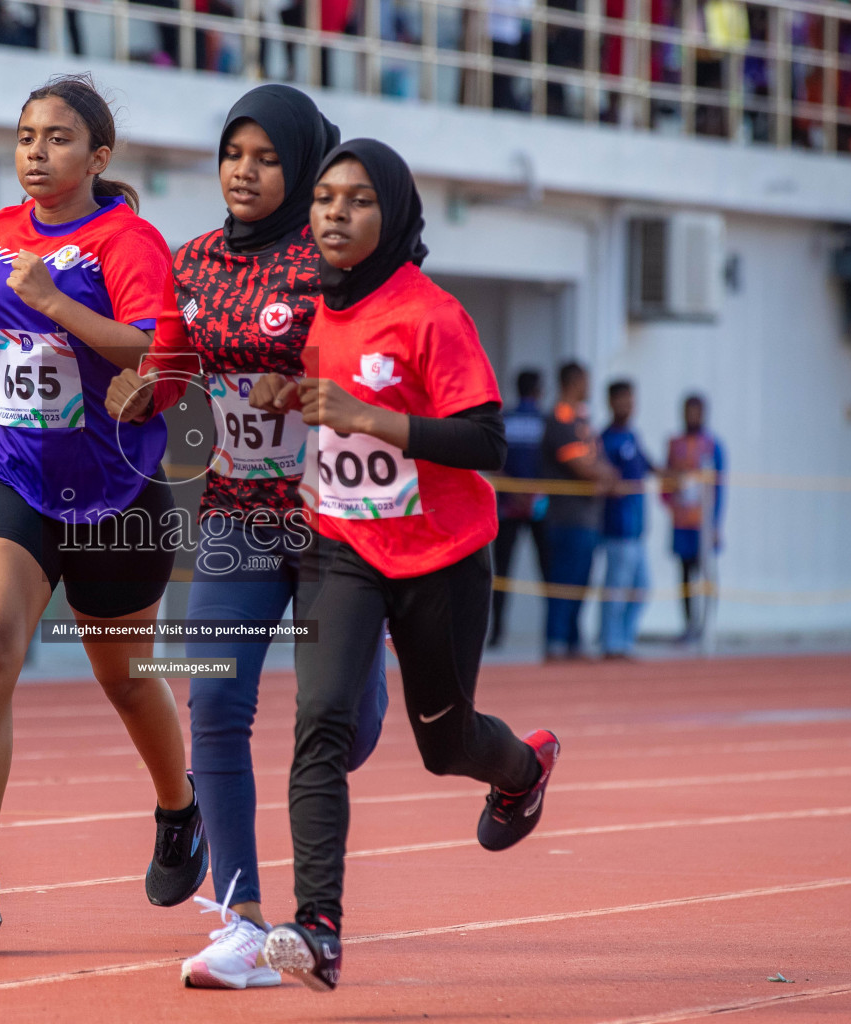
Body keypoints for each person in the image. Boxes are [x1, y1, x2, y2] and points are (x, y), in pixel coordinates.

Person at [245, 140, 559, 992]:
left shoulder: (431, 315)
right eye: (324, 200)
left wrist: (368, 416)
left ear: (393, 215)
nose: (334, 216)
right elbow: (315, 393)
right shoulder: (312, 304)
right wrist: (286, 395)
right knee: (321, 723)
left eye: (357, 201)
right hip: (339, 547)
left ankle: (523, 770)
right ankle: (318, 929)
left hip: (442, 559)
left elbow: (486, 440)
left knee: (445, 743)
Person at [0, 74, 207, 930]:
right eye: (27, 135)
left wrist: (56, 303)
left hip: (117, 489)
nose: (36, 152)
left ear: (97, 157)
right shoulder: (6, 228)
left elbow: (156, 347)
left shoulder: (128, 240)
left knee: (124, 679)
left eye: (58, 138)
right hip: (14, 472)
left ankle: (179, 809)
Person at [105, 85, 388, 991]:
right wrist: (153, 395)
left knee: (346, 727)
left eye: (267, 158)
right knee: (214, 707)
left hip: (335, 523)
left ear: (301, 166)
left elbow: (384, 371)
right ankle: (240, 919)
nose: (245, 171)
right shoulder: (190, 264)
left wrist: (305, 382)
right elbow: (187, 407)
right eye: (234, 153)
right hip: (234, 516)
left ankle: (368, 662)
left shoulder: (337, 266)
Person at [539, 360, 617, 660]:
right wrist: (606, 475)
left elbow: (599, 460)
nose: (589, 387)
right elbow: (581, 465)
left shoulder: (582, 420)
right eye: (585, 380)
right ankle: (556, 642)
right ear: (573, 382)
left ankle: (572, 641)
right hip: (565, 517)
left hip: (587, 517)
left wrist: (607, 473)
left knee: (581, 582)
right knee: (563, 582)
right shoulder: (560, 418)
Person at [489, 367, 550, 648]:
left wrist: (516, 492)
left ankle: (496, 634)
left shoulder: (505, 419)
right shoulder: (546, 420)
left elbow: (493, 463)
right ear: (538, 391)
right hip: (539, 505)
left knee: (502, 573)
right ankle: (554, 635)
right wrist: (530, 494)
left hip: (508, 505)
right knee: (548, 572)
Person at [598, 379, 654, 659]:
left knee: (642, 587)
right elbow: (605, 477)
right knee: (617, 588)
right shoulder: (606, 439)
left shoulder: (633, 436)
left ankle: (624, 639)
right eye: (622, 400)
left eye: (631, 399)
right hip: (618, 527)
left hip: (637, 527)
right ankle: (611, 643)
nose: (628, 405)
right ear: (610, 402)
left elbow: (649, 465)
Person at [662, 393, 725, 641]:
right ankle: (689, 625)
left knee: (707, 574)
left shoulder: (712, 445)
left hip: (704, 522)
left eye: (697, 411)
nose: (692, 416)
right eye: (688, 411)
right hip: (682, 523)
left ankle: (707, 627)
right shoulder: (675, 443)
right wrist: (670, 503)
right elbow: (665, 480)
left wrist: (716, 523)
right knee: (685, 575)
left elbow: (720, 487)